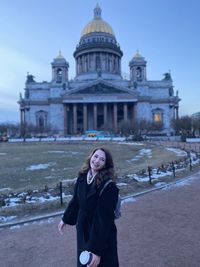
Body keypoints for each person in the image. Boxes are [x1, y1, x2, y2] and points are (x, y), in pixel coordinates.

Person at [58, 147, 119, 267]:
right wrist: (65, 219)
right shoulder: (82, 177)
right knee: (84, 263)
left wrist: (96, 250)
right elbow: (76, 201)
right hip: (83, 230)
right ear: (91, 157)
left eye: (102, 159)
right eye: (95, 156)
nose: (97, 161)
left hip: (101, 236)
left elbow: (104, 220)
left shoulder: (109, 186)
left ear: (106, 164)